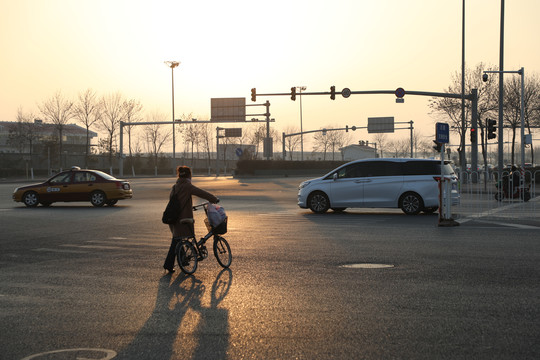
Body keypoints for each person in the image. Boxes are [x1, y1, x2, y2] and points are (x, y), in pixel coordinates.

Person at [163, 166, 218, 273]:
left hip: (173, 219)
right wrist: (214, 199)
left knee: (178, 239)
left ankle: (183, 261)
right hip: (183, 220)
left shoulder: (175, 187)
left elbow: (175, 203)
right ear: (189, 175)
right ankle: (168, 264)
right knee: (177, 241)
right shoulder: (187, 186)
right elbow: (201, 193)